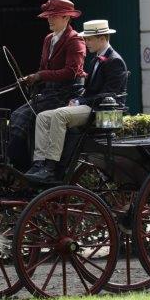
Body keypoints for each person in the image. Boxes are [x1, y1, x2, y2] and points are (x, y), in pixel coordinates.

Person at [24, 19, 128, 184]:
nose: (86, 43)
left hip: (102, 111)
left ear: (102, 38)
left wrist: (81, 101)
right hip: (91, 105)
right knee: (43, 117)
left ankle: (51, 168)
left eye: (89, 39)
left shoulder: (115, 61)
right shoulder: (95, 60)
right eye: (85, 39)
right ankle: (39, 164)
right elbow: (90, 90)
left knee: (59, 115)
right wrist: (78, 98)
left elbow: (109, 95)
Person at [7, 0, 87, 171]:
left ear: (66, 17)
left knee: (22, 116)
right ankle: (19, 165)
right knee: (16, 116)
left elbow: (71, 72)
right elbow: (43, 69)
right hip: (49, 93)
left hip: (66, 95)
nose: (49, 19)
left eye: (54, 16)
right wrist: (31, 78)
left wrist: (40, 76)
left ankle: (30, 166)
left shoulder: (75, 40)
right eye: (48, 16)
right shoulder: (48, 39)